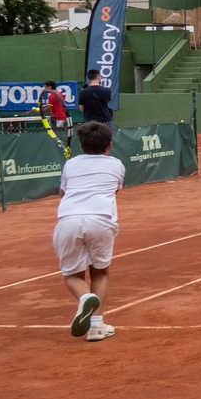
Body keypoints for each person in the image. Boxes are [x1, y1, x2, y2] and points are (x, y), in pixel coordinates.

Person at [56, 122, 128, 343]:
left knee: (72, 275)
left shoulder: (70, 165)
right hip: (101, 220)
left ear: (81, 144)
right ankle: (96, 327)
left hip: (68, 220)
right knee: (100, 272)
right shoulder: (117, 165)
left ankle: (84, 297)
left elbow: (62, 193)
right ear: (109, 146)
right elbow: (114, 190)